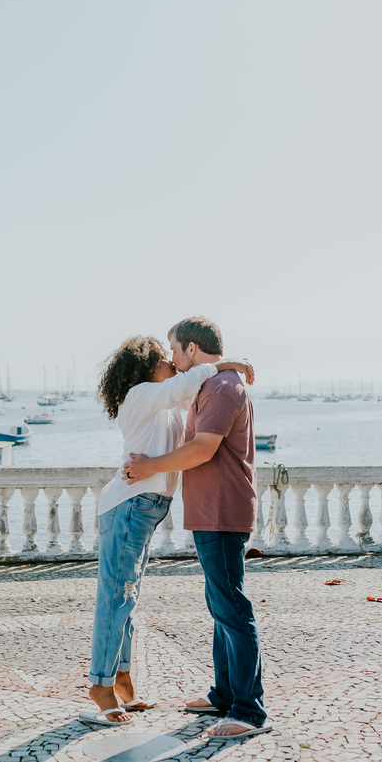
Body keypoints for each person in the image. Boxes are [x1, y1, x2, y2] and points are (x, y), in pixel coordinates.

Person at [80, 334, 254, 728]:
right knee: (115, 597)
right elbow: (184, 384)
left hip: (145, 507)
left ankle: (121, 676)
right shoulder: (141, 394)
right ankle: (100, 685)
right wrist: (229, 363)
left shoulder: (163, 400)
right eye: (163, 358)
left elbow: (187, 400)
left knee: (129, 595)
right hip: (127, 505)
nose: (172, 362)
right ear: (144, 368)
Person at [122, 316, 270, 738]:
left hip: (223, 509)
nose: (170, 358)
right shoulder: (215, 383)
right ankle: (224, 695)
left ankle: (248, 711)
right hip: (212, 509)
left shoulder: (223, 388)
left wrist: (149, 466)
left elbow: (203, 449)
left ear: (191, 348)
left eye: (174, 350)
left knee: (233, 608)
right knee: (221, 606)